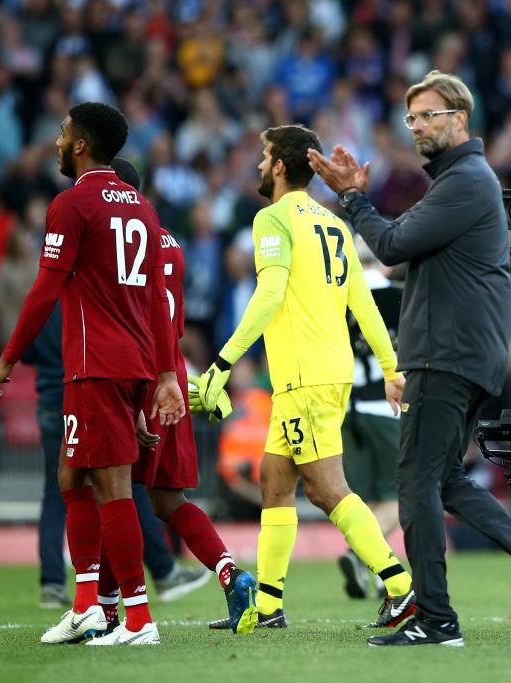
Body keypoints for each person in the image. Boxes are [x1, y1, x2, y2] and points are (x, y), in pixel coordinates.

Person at [308, 69, 511, 647]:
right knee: (444, 478)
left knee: (414, 484)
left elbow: (390, 245)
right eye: (411, 118)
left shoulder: (465, 182)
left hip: (447, 354)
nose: (417, 126)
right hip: (460, 352)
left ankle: (436, 619)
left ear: (460, 118)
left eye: (429, 115)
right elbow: (405, 253)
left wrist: (351, 198)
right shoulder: (461, 182)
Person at [196, 124, 416, 636]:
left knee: (326, 488)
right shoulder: (334, 224)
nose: (258, 165)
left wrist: (222, 363)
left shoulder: (272, 218)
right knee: (275, 481)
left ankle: (400, 587)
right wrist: (390, 368)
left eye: (264, 157)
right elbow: (363, 304)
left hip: (305, 378)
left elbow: (270, 294)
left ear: (279, 166)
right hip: (324, 373)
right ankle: (267, 604)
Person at [0, 102, 186, 646]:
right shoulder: (142, 207)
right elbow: (156, 299)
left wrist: (9, 356)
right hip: (129, 360)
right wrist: (164, 373)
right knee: (71, 477)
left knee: (111, 486)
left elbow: (45, 288)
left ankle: (137, 618)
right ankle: (87, 607)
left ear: (80, 145)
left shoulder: (72, 203)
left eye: (62, 132)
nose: (56, 140)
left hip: (98, 364)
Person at [88, 157, 257, 636]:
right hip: (172, 373)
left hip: (135, 374)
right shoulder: (169, 242)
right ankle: (230, 573)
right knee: (166, 500)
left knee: (112, 492)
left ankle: (108, 610)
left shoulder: (117, 244)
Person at [27, 300, 209, 611]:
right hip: (87, 391)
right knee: (123, 487)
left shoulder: (46, 301)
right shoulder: (88, 299)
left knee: (59, 492)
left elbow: (30, 350)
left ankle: (54, 583)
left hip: (51, 396)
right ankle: (155, 579)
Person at [337, 238, 403, 600]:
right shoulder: (400, 297)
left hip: (347, 409)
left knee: (363, 500)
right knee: (398, 497)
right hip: (386, 407)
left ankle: (380, 575)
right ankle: (360, 554)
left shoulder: (339, 297)